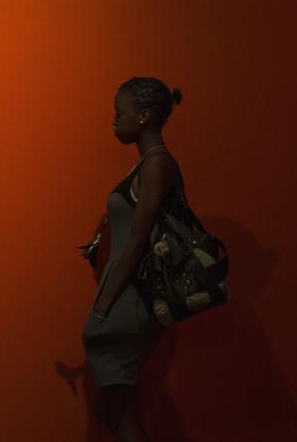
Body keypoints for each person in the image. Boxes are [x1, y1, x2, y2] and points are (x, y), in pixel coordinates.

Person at [81, 77, 186, 441]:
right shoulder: (145, 165)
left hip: (131, 298)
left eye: (119, 112)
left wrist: (102, 308)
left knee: (123, 420)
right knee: (113, 414)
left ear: (142, 117)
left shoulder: (156, 165)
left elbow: (139, 242)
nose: (114, 119)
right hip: (124, 296)